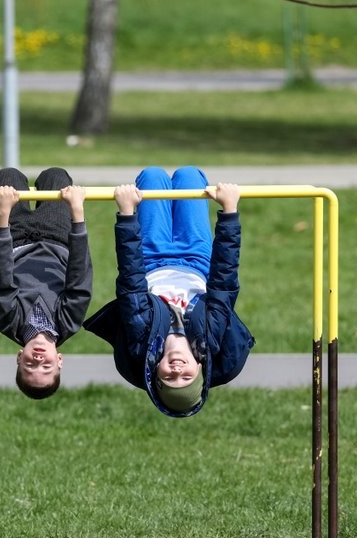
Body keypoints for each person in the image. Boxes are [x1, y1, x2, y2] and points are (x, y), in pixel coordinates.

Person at [83, 166, 255, 417]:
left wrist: (127, 214)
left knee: (152, 177)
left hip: (152, 256)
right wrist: (229, 212)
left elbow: (131, 281)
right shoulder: (210, 335)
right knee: (189, 176)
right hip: (197, 257)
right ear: (199, 367)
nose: (177, 371)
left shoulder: (143, 336)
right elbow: (224, 281)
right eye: (186, 377)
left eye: (170, 378)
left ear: (156, 370)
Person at [0, 167, 93, 399]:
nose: (38, 361)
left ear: (18, 358)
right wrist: (77, 212)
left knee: (8, 177)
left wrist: (2, 215)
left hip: (16, 239)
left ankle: (8, 191)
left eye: (29, 366)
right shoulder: (68, 322)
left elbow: (2, 276)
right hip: (57, 237)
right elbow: (79, 273)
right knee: (56, 176)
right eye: (46, 367)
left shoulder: (9, 323)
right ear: (59, 360)